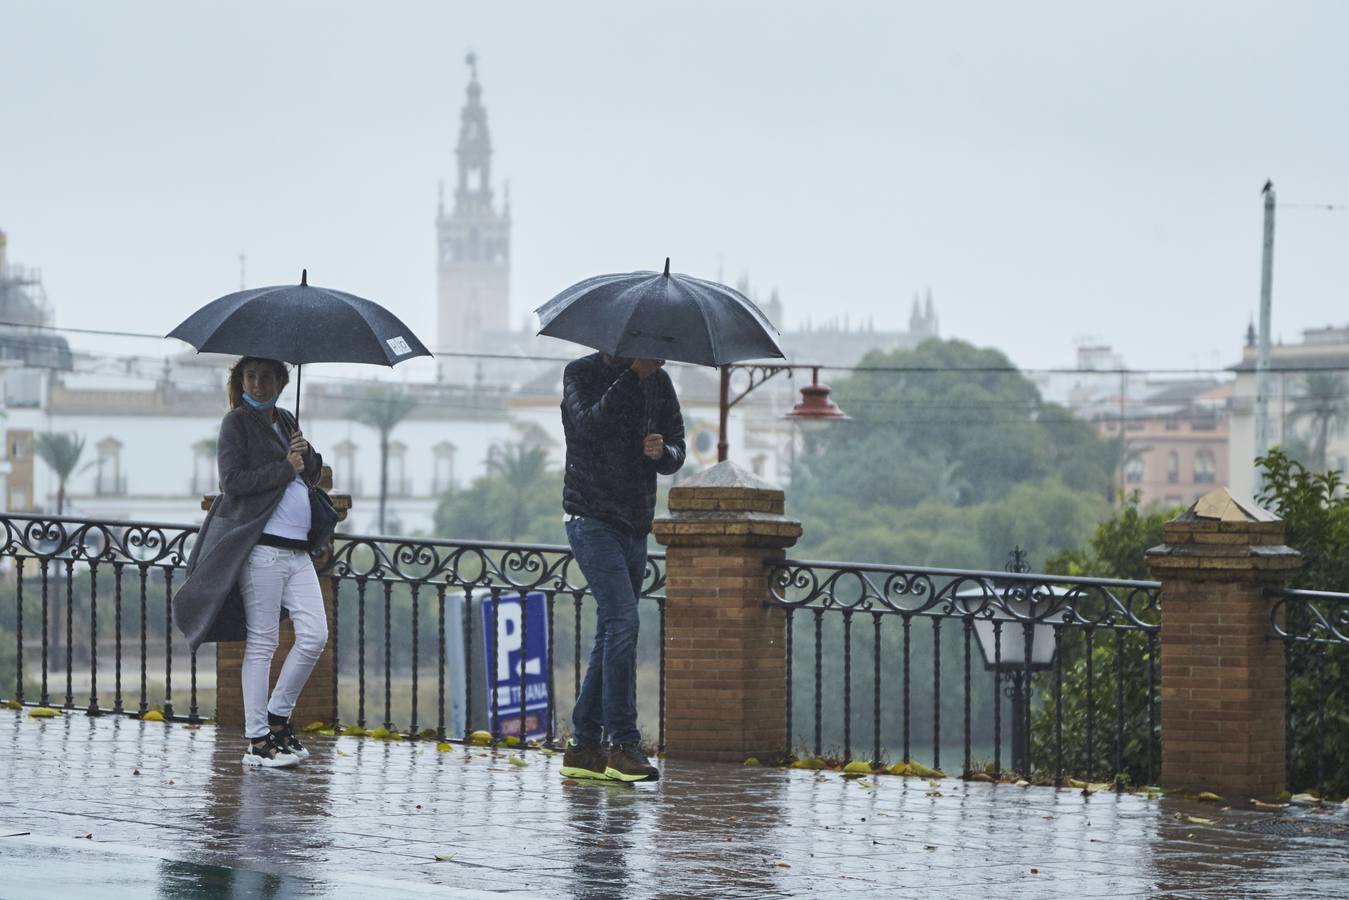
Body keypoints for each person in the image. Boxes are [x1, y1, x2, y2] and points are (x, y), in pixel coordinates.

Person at [174, 357, 327, 768]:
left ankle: (278, 715)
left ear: (281, 380)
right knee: (263, 643)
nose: (258, 384)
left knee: (315, 634)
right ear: (240, 380)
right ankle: (258, 740)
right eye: (250, 376)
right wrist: (285, 467)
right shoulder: (236, 424)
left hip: (297, 551)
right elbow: (233, 482)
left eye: (266, 377)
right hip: (262, 550)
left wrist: (306, 455)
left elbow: (310, 473)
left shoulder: (286, 418)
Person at [558, 353, 685, 782]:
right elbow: (588, 426)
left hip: (635, 523)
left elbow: (677, 449)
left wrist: (662, 452)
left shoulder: (661, 383)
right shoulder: (581, 374)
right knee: (623, 622)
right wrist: (631, 377)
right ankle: (624, 745)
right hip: (590, 518)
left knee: (611, 630)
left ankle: (582, 745)